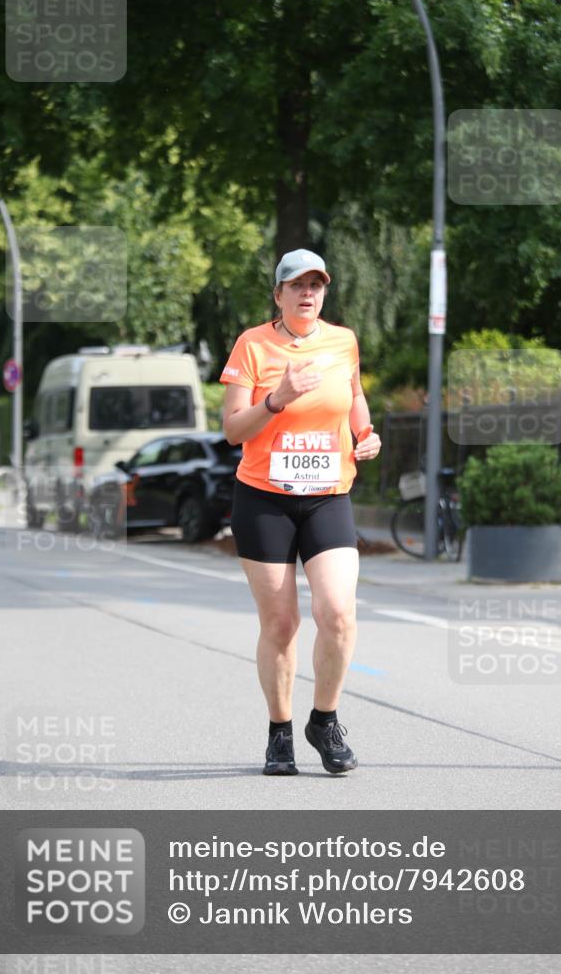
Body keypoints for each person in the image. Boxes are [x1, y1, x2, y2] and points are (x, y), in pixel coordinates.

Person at [221, 249, 381, 776]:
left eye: (317, 285)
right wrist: (277, 398)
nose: (308, 293)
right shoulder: (253, 345)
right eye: (297, 285)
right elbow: (233, 430)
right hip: (264, 498)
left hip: (328, 494)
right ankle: (279, 733)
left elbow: (353, 393)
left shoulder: (343, 341)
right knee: (282, 623)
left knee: (337, 612)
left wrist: (366, 432)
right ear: (279, 294)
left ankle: (325, 719)